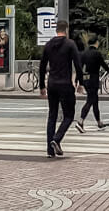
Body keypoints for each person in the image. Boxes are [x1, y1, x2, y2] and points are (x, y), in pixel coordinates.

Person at [39, 19, 84, 158]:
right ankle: (56, 139)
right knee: (69, 115)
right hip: (65, 84)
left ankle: (50, 150)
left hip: (52, 84)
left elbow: (42, 66)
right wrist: (79, 82)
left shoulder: (48, 45)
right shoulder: (70, 44)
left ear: (56, 29)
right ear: (66, 30)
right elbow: (78, 64)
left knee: (52, 115)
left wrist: (42, 86)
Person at [77, 37, 107, 130]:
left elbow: (79, 67)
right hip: (93, 79)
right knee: (90, 101)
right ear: (96, 43)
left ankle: (99, 122)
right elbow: (103, 64)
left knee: (95, 101)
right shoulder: (97, 53)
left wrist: (78, 81)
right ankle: (80, 121)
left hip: (85, 79)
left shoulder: (84, 54)